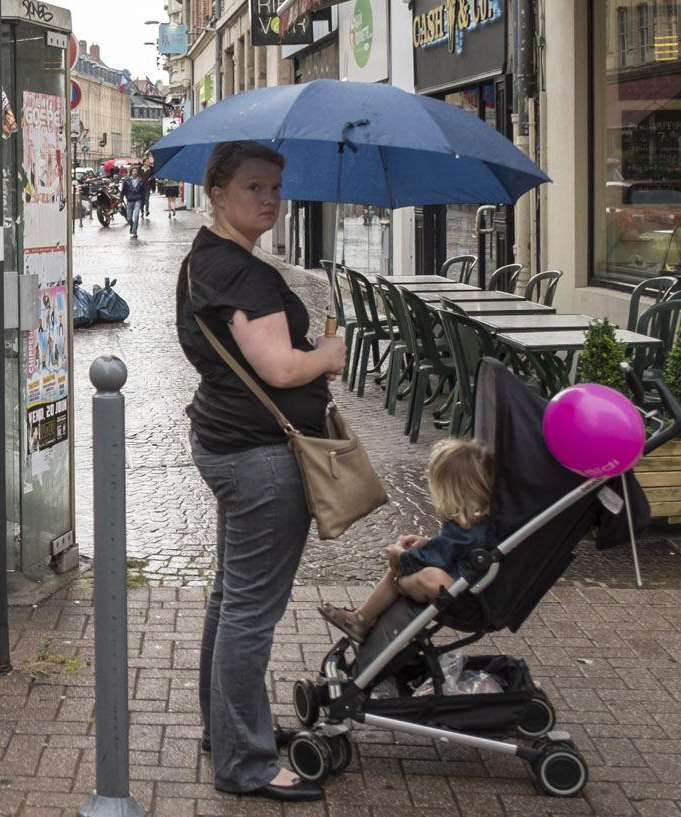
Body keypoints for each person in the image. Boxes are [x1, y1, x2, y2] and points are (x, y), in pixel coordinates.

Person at [175, 140, 347, 804]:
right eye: (254, 186)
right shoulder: (240, 272)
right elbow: (278, 369)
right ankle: (244, 763)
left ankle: (228, 731)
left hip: (232, 441)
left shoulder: (206, 259)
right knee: (250, 610)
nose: (270, 198)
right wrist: (327, 352)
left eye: (276, 186)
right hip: (262, 457)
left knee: (231, 599)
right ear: (217, 192)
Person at [318, 439, 492, 640]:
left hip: (464, 600)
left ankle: (370, 611)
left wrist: (402, 556)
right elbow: (450, 550)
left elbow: (438, 556)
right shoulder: (481, 521)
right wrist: (427, 543)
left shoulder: (468, 528)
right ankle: (363, 617)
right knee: (409, 566)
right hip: (464, 587)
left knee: (411, 571)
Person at [120, 167, 150, 238]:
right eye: (133, 171)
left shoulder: (140, 181)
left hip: (137, 200)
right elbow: (123, 192)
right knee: (129, 218)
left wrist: (143, 202)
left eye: (136, 171)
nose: (135, 172)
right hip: (129, 200)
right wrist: (121, 200)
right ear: (131, 172)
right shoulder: (126, 181)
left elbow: (143, 192)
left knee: (136, 216)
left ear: (138, 172)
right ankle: (132, 226)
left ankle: (134, 231)